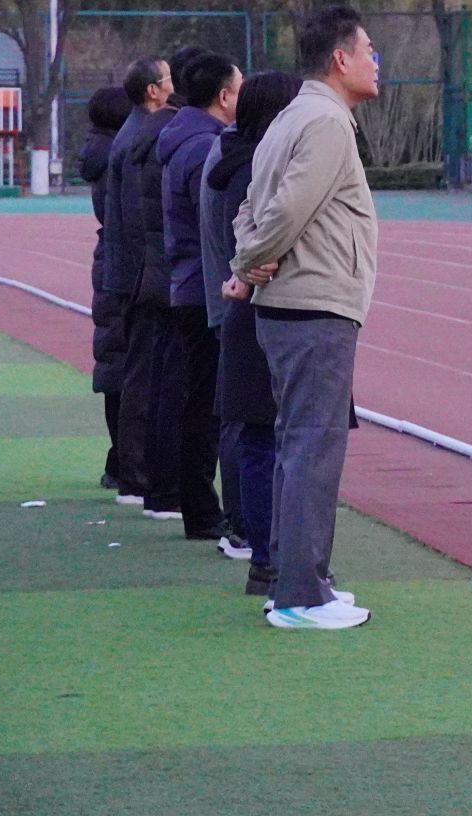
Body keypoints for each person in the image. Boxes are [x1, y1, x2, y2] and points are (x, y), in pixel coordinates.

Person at [226, 5, 380, 630]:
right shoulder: (324, 122)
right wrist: (249, 260)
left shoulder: (293, 116)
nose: (375, 62)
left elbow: (249, 206)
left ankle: (299, 581)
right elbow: (284, 210)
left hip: (295, 304)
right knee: (313, 450)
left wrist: (247, 259)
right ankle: (300, 597)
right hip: (313, 305)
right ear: (340, 59)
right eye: (368, 51)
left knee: (299, 447)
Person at [202, 70, 303, 597]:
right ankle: (271, 555)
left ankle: (265, 553)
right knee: (272, 441)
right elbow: (261, 232)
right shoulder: (259, 166)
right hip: (269, 309)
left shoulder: (235, 159)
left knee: (261, 438)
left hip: (247, 310)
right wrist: (249, 264)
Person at [153, 50, 242, 547]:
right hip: (202, 287)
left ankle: (199, 505)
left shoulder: (182, 140)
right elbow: (218, 223)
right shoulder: (205, 148)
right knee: (208, 406)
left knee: (199, 400)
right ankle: (204, 510)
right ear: (224, 96)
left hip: (187, 281)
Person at [102, 57, 175, 512]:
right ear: (152, 90)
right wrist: (147, 279)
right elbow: (137, 222)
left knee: (142, 375)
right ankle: (135, 476)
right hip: (139, 278)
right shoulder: (137, 141)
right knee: (143, 378)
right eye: (168, 80)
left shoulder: (134, 134)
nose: (173, 87)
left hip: (133, 275)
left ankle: (137, 473)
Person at [80, 85, 133, 491]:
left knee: (115, 363)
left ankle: (120, 459)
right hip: (122, 264)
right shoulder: (120, 156)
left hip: (111, 261)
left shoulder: (101, 153)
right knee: (125, 366)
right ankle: (126, 460)